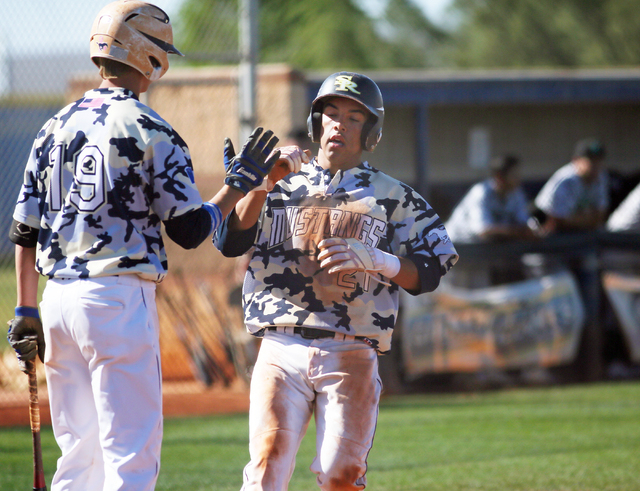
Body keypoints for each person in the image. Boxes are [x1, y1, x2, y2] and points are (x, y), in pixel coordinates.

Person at [5, 2, 280, 490]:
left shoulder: (53, 127)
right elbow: (190, 230)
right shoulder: (151, 129)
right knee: (129, 455)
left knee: (78, 455)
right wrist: (237, 186)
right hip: (115, 300)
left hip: (55, 302)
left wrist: (25, 308)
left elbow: (24, 231)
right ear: (150, 56)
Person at [214, 71, 458, 490]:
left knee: (339, 476)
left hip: (351, 350)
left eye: (354, 117)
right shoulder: (280, 181)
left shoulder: (393, 195)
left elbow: (434, 265)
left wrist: (382, 261)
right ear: (316, 123)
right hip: (280, 345)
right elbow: (229, 240)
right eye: (330, 113)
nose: (339, 124)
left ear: (372, 131)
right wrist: (259, 186)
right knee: (266, 468)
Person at [445, 154, 535, 243]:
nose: (518, 178)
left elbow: (525, 224)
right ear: (500, 177)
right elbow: (484, 232)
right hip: (454, 246)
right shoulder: (481, 192)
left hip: (482, 247)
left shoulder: (516, 193)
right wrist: (519, 232)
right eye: (514, 175)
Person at [534, 138, 609, 235]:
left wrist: (579, 219)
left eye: (599, 160)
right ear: (576, 160)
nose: (596, 165)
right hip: (543, 224)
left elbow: (600, 215)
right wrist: (588, 218)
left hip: (576, 230)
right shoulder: (565, 179)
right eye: (591, 160)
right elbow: (560, 221)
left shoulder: (602, 177)